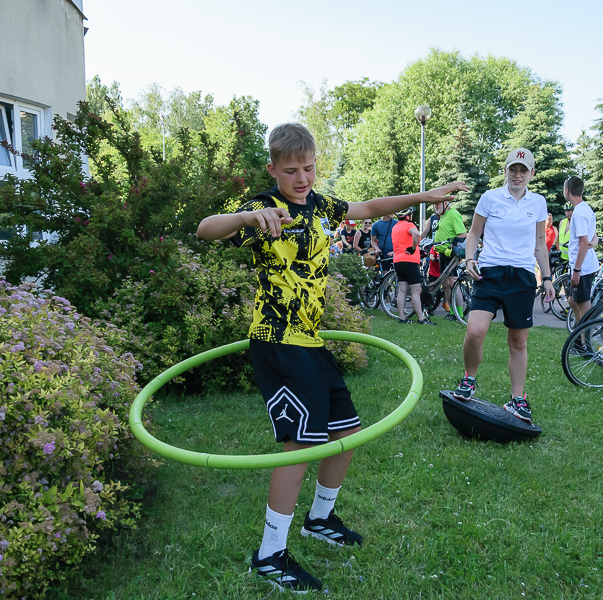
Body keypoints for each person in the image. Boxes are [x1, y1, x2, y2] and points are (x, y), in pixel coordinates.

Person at [196, 123, 468, 591]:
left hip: (310, 339)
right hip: (278, 338)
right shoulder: (264, 207)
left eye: (308, 167)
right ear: (273, 170)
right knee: (301, 442)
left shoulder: (319, 204)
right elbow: (205, 230)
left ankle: (318, 519)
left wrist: (425, 196)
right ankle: (270, 554)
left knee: (346, 430)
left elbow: (367, 208)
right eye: (290, 170)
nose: (301, 177)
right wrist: (243, 220)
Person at [453, 148, 555, 423]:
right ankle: (469, 379)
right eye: (513, 169)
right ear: (506, 171)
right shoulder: (490, 198)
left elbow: (539, 245)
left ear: (532, 173)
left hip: (521, 276)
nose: (518, 175)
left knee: (518, 341)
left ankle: (517, 399)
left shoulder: (538, 203)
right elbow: (473, 234)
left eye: (523, 170)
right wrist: (469, 259)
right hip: (489, 273)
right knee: (475, 331)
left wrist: (546, 277)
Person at [564, 176, 599, 324]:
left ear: (567, 191)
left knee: (583, 305)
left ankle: (585, 340)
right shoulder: (585, 208)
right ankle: (579, 334)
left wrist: (577, 270)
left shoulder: (578, 213)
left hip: (582, 267)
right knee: (572, 300)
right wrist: (594, 242)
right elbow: (593, 236)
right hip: (581, 264)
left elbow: (584, 243)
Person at [392, 207, 433, 325]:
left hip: (398, 261)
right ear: (407, 216)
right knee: (416, 290)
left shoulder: (395, 227)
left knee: (402, 290)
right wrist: (414, 247)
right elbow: (416, 234)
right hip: (409, 261)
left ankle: (402, 317)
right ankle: (421, 318)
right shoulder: (409, 226)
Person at [432, 199, 468, 321]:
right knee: (446, 284)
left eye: (437, 203)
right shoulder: (443, 216)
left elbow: (462, 234)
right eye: (434, 204)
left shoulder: (453, 213)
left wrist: (451, 247)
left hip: (451, 254)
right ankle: (452, 313)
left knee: (453, 283)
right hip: (442, 254)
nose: (435, 206)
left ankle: (459, 314)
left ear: (445, 203)